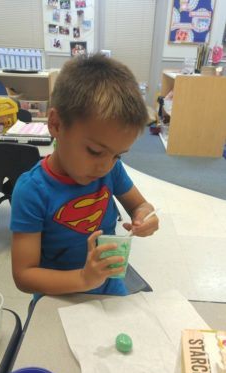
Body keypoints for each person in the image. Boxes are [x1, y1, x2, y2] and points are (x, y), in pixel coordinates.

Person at [10, 54, 159, 298]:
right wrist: (82, 279)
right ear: (56, 124)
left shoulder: (111, 170)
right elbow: (24, 276)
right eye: (95, 151)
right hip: (58, 297)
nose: (105, 166)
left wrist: (145, 216)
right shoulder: (32, 190)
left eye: (117, 155)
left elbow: (140, 205)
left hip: (109, 288)